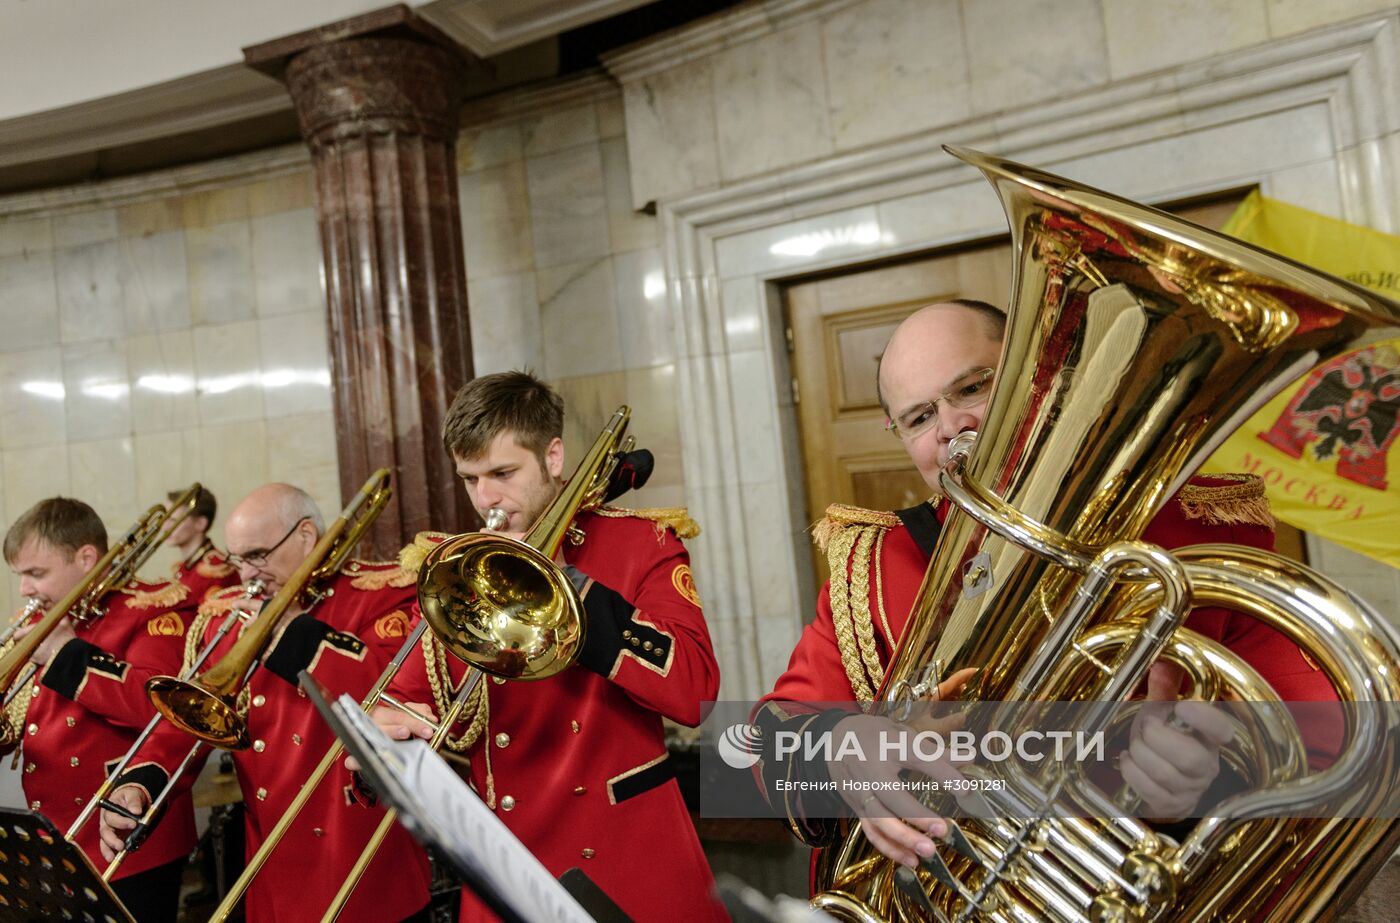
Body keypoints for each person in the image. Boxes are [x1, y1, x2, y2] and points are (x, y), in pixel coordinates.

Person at [757, 300, 1339, 870]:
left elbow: (1319, 739)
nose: (951, 427)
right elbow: (761, 744)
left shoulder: (1192, 528)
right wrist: (840, 749)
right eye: (918, 418)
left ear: (1042, 378)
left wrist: (1210, 789)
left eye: (972, 388)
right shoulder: (876, 567)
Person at [363, 370, 727, 922]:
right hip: (507, 860)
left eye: (503, 472)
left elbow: (696, 691)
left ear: (553, 457)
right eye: (469, 478)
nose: (486, 497)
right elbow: (402, 699)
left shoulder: (639, 543)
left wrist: (576, 593)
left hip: (624, 859)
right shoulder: (459, 568)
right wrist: (383, 746)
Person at [97, 483, 433, 923]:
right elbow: (188, 715)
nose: (245, 576)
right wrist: (138, 783)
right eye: (238, 560)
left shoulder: (380, 593)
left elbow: (390, 696)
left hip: (365, 866)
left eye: (257, 556)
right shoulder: (230, 614)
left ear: (307, 536)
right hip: (274, 866)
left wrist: (292, 630)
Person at [2, 497, 199, 923]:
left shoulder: (155, 608)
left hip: (128, 841)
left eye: (36, 574)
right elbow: (21, 719)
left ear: (86, 557)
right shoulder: (44, 617)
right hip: (55, 836)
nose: (25, 590)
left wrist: (66, 653)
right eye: (20, 576)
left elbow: (161, 707)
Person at [164, 485, 239, 602]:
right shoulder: (186, 566)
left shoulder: (217, 569)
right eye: (165, 519)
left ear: (200, 523)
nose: (165, 527)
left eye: (173, 520)